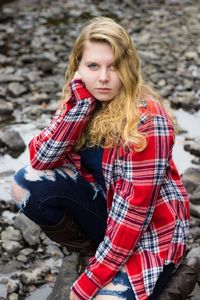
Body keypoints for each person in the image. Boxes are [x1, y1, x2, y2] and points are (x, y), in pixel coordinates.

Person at [11, 17, 198, 300]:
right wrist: (80, 106)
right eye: (93, 66)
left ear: (128, 67)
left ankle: (178, 275)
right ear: (78, 67)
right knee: (25, 185)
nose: (102, 78)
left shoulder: (147, 121)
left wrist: (87, 286)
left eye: (114, 67)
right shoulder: (82, 97)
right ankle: (92, 252)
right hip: (110, 214)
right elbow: (41, 158)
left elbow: (133, 218)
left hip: (148, 233)